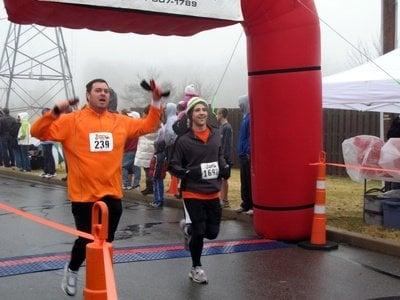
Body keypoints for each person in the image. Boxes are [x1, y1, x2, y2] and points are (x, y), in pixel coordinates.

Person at [30, 78, 162, 297]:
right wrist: (54, 112)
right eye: (98, 90)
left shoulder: (119, 121)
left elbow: (149, 125)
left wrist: (156, 101)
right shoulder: (72, 120)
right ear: (88, 95)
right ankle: (72, 270)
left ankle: (100, 281)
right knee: (86, 240)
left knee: (105, 243)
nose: (103, 94)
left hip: (112, 193)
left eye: (106, 91)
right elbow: (37, 132)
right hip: (84, 195)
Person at [169, 97, 230, 284]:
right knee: (200, 229)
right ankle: (196, 268)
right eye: (197, 110)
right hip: (192, 192)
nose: (202, 113)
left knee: (212, 233)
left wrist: (225, 166)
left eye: (204, 109)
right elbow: (173, 166)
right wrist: (190, 172)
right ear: (190, 115)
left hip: (213, 191)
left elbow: (219, 155)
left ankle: (188, 230)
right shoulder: (183, 140)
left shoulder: (216, 134)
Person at [134, 105, 158, 195]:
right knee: (150, 170)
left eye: (144, 113)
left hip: (145, 150)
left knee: (148, 171)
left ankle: (150, 188)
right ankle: (150, 187)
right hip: (152, 149)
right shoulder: (158, 123)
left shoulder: (146, 123)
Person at [236, 95, 253, 215]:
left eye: (241, 104)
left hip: (247, 154)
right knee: (244, 180)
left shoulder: (250, 118)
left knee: (249, 180)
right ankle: (245, 204)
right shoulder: (245, 117)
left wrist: (248, 151)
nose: (239, 107)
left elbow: (251, 137)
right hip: (243, 153)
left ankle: (252, 205)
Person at [217, 108, 233, 208]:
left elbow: (227, 144)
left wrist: (224, 158)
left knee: (224, 179)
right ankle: (221, 198)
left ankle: (225, 200)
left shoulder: (227, 127)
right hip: (219, 156)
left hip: (224, 158)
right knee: (220, 179)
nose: (216, 115)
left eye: (217, 113)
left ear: (222, 115)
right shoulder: (221, 127)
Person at [149, 139, 168, 208]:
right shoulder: (162, 155)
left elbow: (158, 167)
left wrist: (154, 176)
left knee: (158, 188)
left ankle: (159, 201)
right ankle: (156, 200)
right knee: (157, 188)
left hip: (157, 175)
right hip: (159, 175)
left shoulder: (158, 156)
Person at [39, 108, 56, 178]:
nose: (44, 114)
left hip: (49, 141)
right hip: (43, 141)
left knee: (49, 157)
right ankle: (46, 171)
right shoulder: (43, 120)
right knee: (45, 157)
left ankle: (52, 172)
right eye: (43, 113)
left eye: (45, 113)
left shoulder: (51, 120)